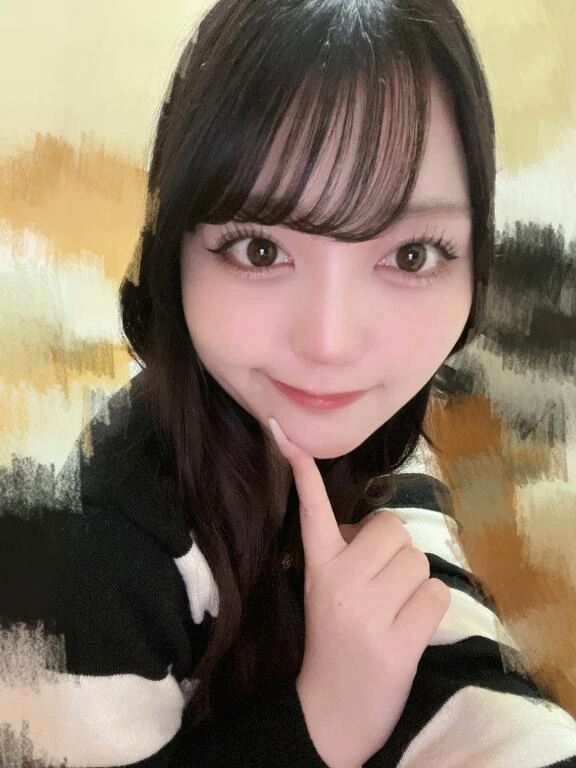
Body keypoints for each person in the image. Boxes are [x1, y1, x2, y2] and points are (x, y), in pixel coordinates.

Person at [2, 0, 576, 766]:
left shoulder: (384, 430)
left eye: (411, 256)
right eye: (260, 249)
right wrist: (326, 720)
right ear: (174, 252)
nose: (330, 346)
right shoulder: (83, 562)